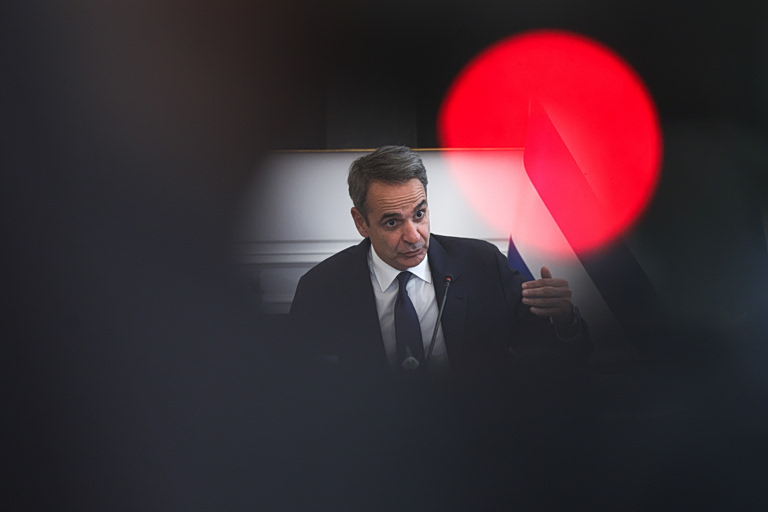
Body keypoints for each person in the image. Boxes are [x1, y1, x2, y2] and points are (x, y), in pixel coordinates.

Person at [290, 145, 589, 394]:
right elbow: (299, 386)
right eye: (392, 222)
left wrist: (565, 319)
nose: (414, 236)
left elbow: (552, 360)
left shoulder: (483, 265)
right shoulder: (321, 288)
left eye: (419, 214)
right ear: (361, 223)